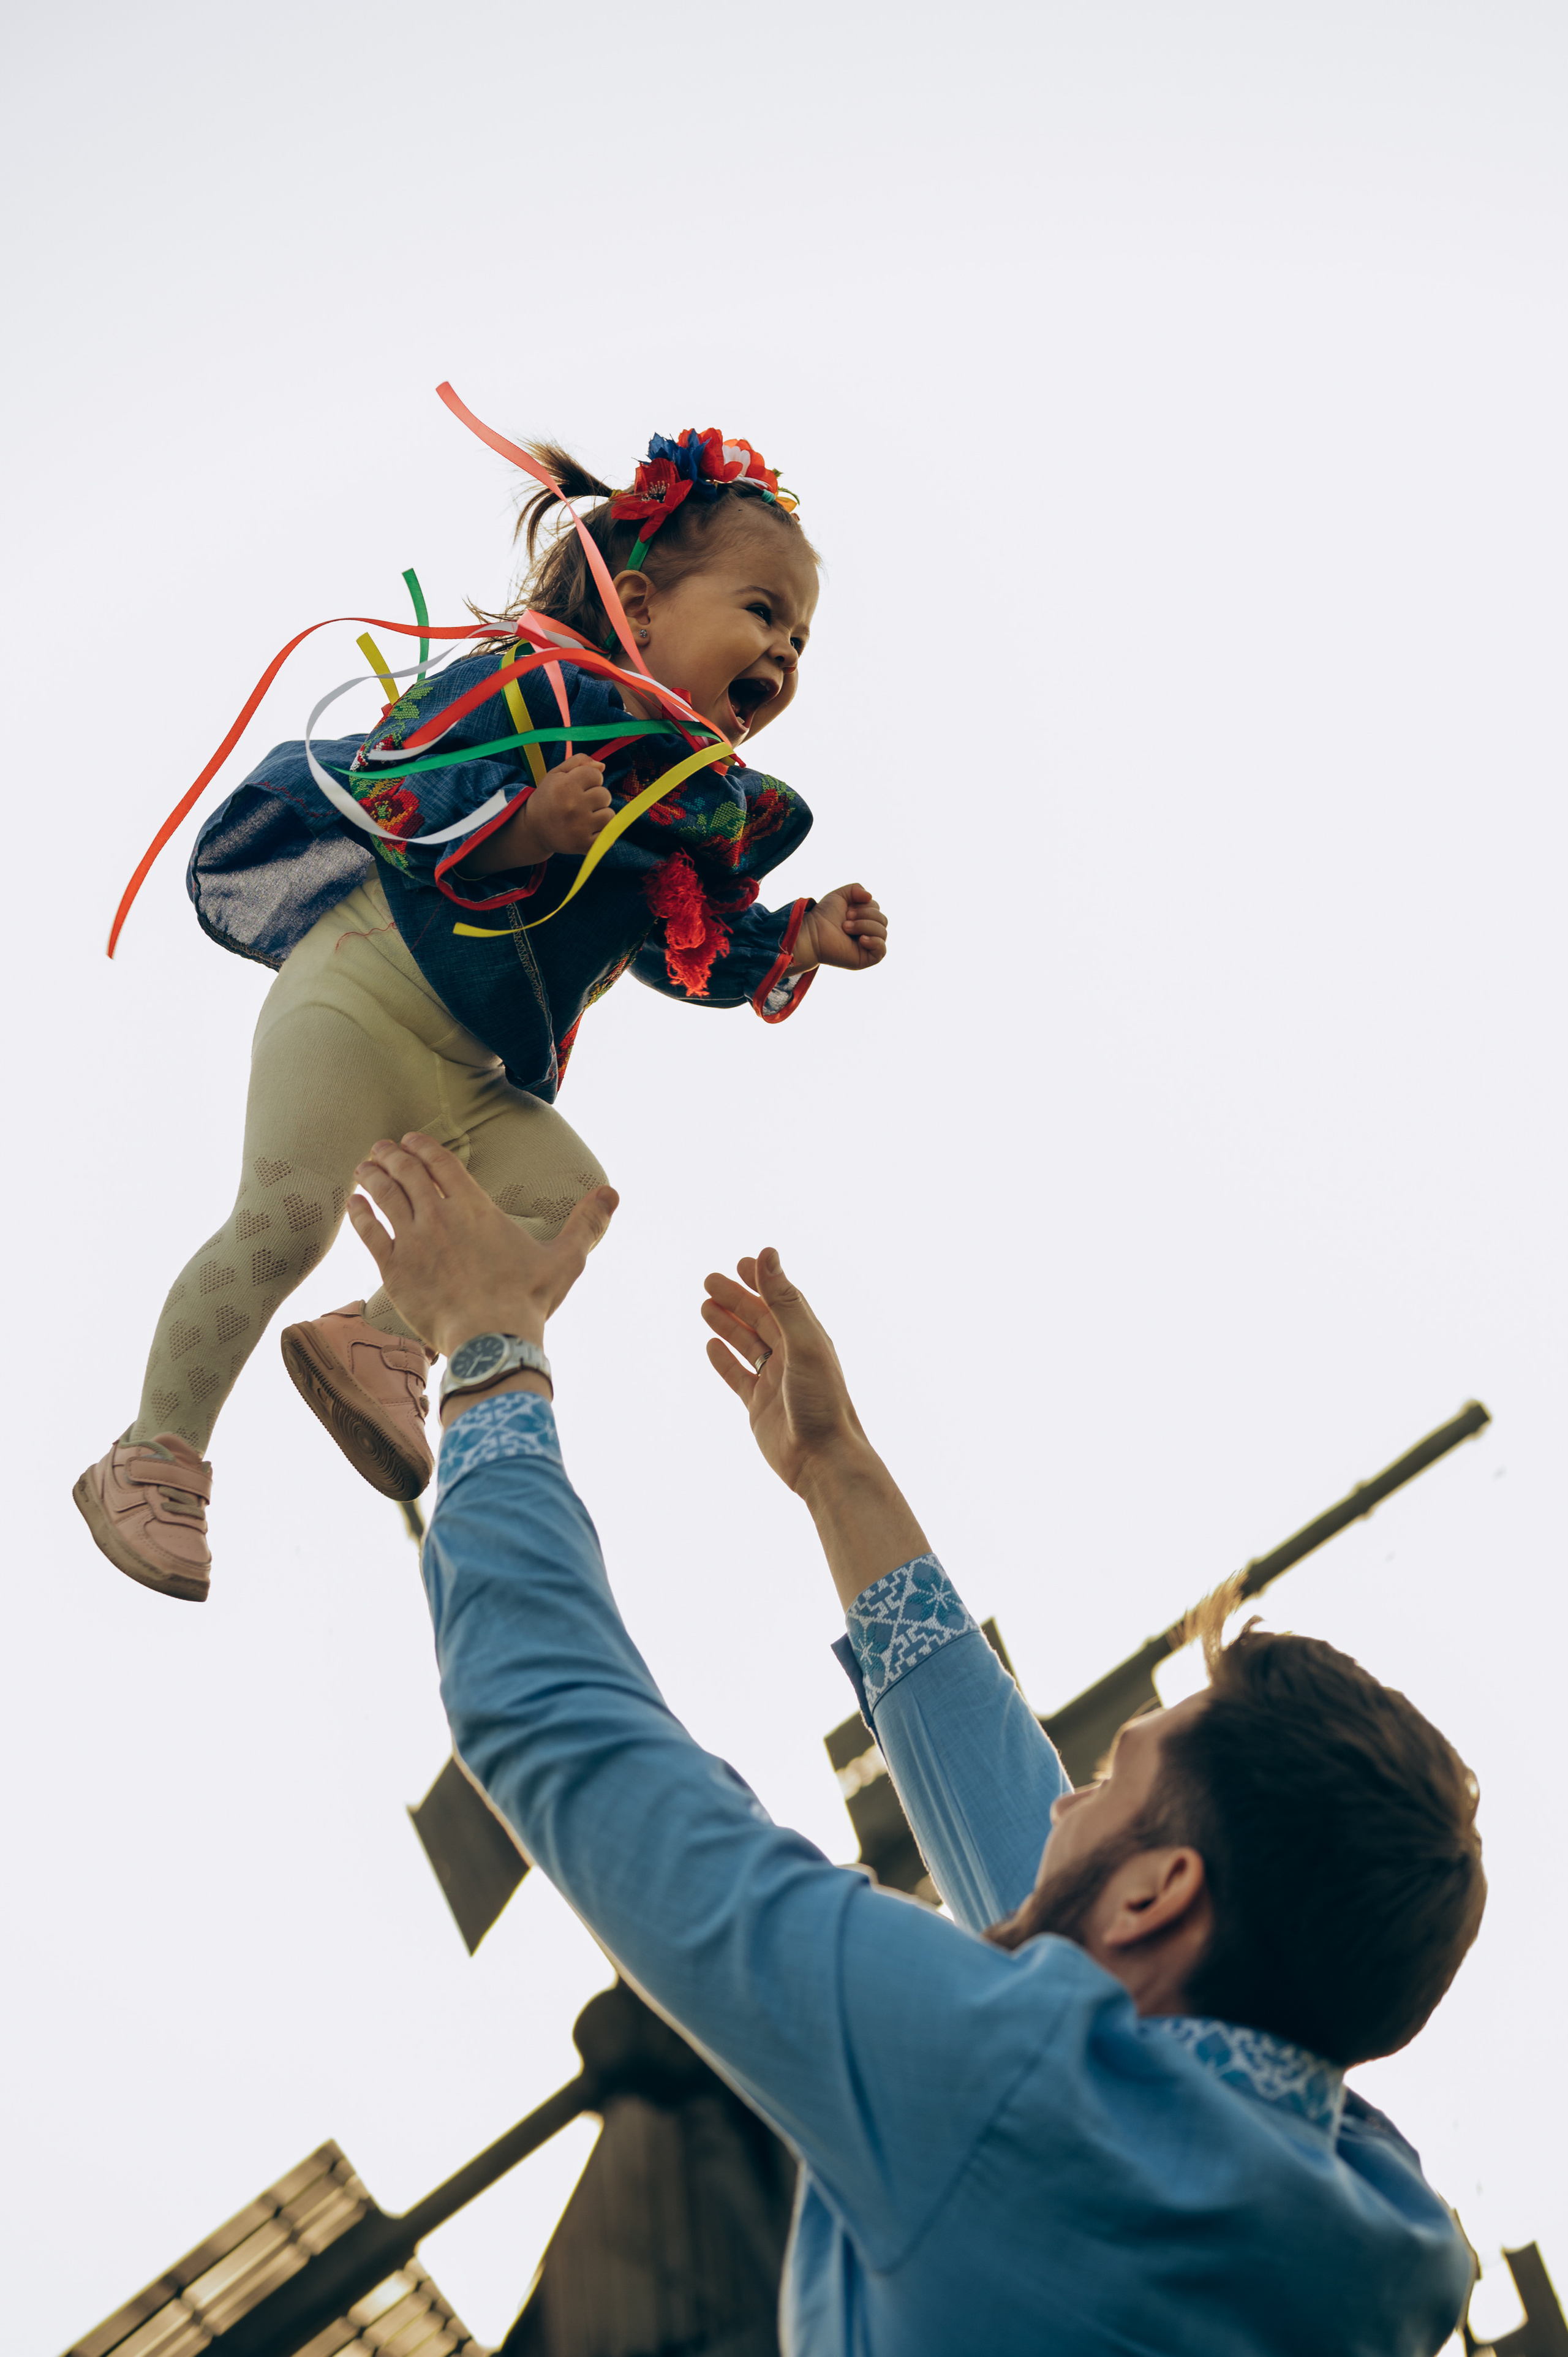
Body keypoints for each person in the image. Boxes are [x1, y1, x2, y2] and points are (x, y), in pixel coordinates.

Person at [341, 1130, 1484, 2357]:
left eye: (1106, 1783)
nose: (1058, 1802)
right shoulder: (1373, 2223)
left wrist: (485, 1348)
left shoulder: (991, 2098)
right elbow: (1038, 1893)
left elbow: (557, 1719)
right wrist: (836, 1469)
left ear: (1160, 1890)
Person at [75, 415, 887, 1603]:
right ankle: (151, 1453)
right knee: (283, 1220)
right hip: (360, 993)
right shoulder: (532, 686)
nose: (785, 655)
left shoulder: (695, 806)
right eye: (762, 612)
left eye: (802, 640)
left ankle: (380, 1339)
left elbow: (687, 947)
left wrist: (801, 933)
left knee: (563, 1195)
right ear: (643, 605)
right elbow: (405, 784)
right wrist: (525, 826)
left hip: (467, 1077)